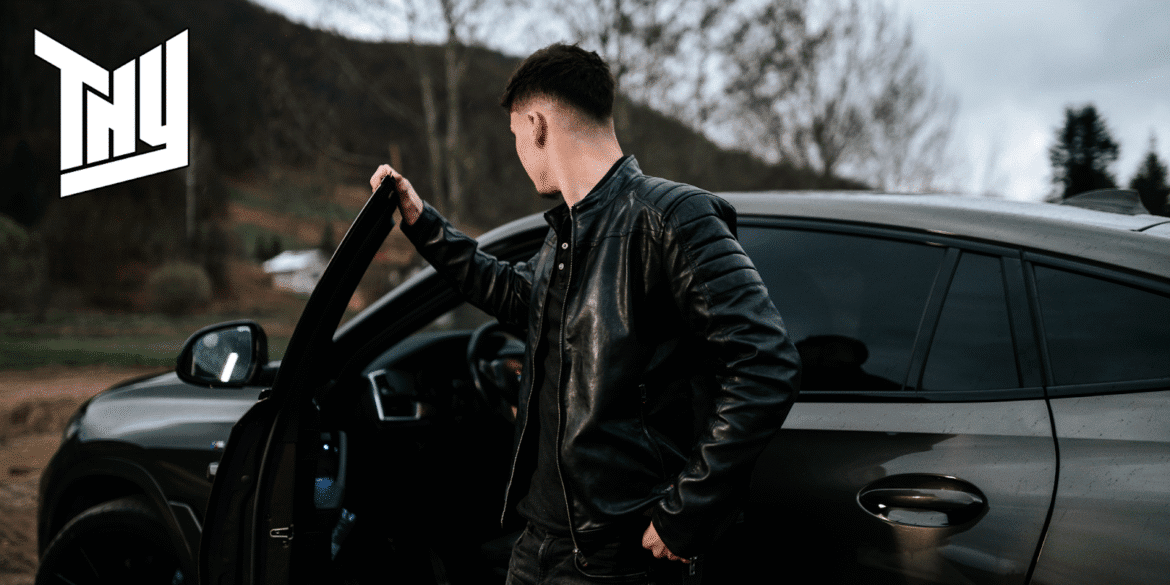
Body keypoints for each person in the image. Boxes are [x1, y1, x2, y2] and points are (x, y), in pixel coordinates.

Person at [370, 43, 800, 585]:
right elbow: (514, 293)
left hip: (615, 560)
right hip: (538, 545)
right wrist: (422, 223)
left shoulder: (672, 217)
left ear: (537, 123)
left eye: (516, 136)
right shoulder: (565, 239)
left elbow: (766, 364)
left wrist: (687, 511)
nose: (521, 151)